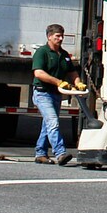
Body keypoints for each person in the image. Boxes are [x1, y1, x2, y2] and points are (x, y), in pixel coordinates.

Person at [31, 23, 80, 165]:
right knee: (53, 121)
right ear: (49, 37)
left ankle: (40, 153)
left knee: (48, 124)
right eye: (57, 36)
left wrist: (78, 83)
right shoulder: (42, 52)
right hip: (42, 93)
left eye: (62, 36)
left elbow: (72, 72)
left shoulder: (64, 54)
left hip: (56, 94)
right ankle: (60, 153)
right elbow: (38, 73)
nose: (61, 38)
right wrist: (58, 82)